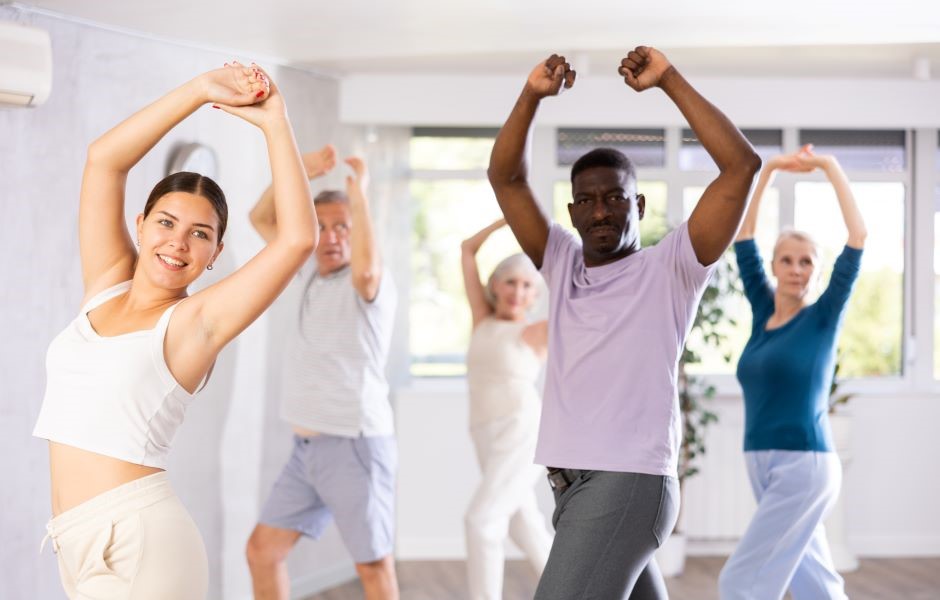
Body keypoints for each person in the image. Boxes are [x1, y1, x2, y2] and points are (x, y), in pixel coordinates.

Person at [32, 62, 316, 599]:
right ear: (140, 225)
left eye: (200, 234)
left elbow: (297, 239)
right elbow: (104, 161)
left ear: (215, 254)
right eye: (166, 222)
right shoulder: (107, 286)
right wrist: (200, 90)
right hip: (75, 540)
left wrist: (275, 123)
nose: (178, 243)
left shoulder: (196, 323)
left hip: (142, 543)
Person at [487, 47, 762, 599]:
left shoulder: (672, 268)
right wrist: (530, 96)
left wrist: (669, 80)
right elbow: (506, 178)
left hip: (626, 483)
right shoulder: (562, 262)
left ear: (638, 203)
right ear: (572, 213)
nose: (601, 210)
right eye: (586, 200)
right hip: (571, 486)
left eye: (615, 197)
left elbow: (741, 166)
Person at [245, 148, 399, 600]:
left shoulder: (371, 285)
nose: (331, 238)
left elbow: (368, 267)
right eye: (322, 227)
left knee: (373, 568)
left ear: (358, 230)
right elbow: (261, 217)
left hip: (354, 445)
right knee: (262, 552)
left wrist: (359, 194)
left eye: (342, 227)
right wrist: (298, 172)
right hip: (307, 449)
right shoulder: (307, 274)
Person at [719, 146, 866, 600]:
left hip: (804, 464)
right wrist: (767, 172)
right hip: (761, 462)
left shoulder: (823, 318)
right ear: (774, 265)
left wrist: (829, 167)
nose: (797, 269)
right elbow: (743, 236)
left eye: (807, 262)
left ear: (818, 272)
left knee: (741, 582)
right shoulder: (762, 313)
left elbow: (858, 234)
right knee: (815, 583)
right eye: (788, 259)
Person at [460, 218, 554, 600]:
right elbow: (467, 249)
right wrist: (508, 220)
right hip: (483, 431)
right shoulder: (481, 319)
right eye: (511, 281)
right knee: (522, 524)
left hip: (521, 430)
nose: (518, 291)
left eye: (528, 285)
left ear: (535, 296)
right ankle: (578, 592)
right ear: (495, 285)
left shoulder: (537, 331)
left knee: (482, 521)